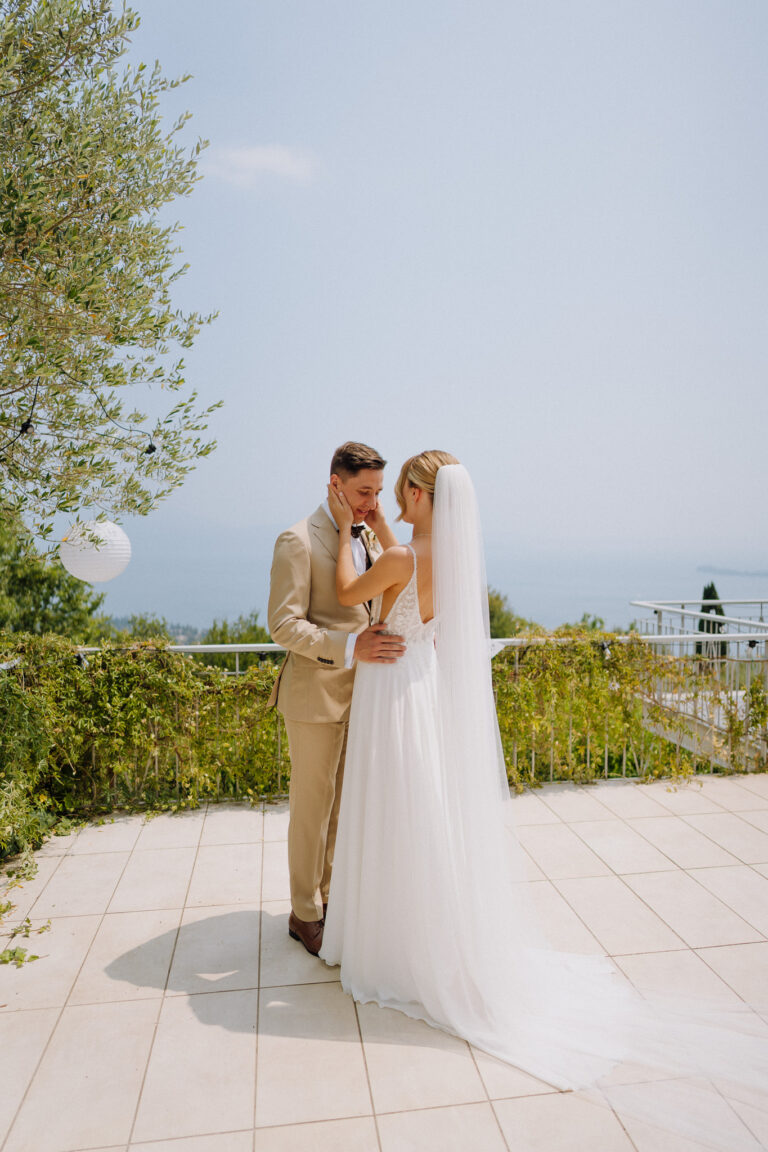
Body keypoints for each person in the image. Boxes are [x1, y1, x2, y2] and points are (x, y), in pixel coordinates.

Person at [320, 450, 768, 1151]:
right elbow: (411, 594)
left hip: (393, 684)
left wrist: (345, 530)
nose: (391, 500)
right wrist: (376, 529)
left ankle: (392, 940)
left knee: (392, 811)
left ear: (419, 492)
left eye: (398, 489)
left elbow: (351, 593)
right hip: (419, 680)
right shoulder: (448, 558)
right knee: (415, 812)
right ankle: (417, 933)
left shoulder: (402, 556)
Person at [267, 441, 406, 956]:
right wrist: (350, 647)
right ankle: (303, 914)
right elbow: (283, 624)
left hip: (363, 697)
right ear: (335, 485)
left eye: (378, 492)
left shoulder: (366, 535)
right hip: (314, 698)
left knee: (344, 808)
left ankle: (329, 899)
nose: (372, 502)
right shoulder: (297, 540)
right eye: (364, 492)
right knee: (312, 811)